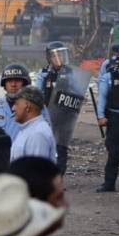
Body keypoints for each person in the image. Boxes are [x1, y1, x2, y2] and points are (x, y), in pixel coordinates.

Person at [95, 44, 119, 192]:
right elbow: (102, 98)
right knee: (113, 154)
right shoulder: (109, 75)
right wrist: (101, 116)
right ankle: (109, 184)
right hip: (114, 119)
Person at [36, 42, 74, 173]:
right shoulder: (44, 74)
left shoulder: (71, 74)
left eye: (62, 55)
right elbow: (37, 94)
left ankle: (59, 177)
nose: (60, 59)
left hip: (64, 118)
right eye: (56, 56)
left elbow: (75, 94)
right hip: (48, 117)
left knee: (61, 149)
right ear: (49, 58)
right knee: (46, 147)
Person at [10, 86, 57, 163]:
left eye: (16, 104)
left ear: (27, 106)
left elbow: (36, 171)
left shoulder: (37, 134)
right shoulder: (28, 129)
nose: (13, 108)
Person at [0, 62, 32, 141]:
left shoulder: (36, 107)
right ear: (4, 84)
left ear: (25, 84)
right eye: (9, 81)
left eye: (17, 80)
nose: (13, 84)